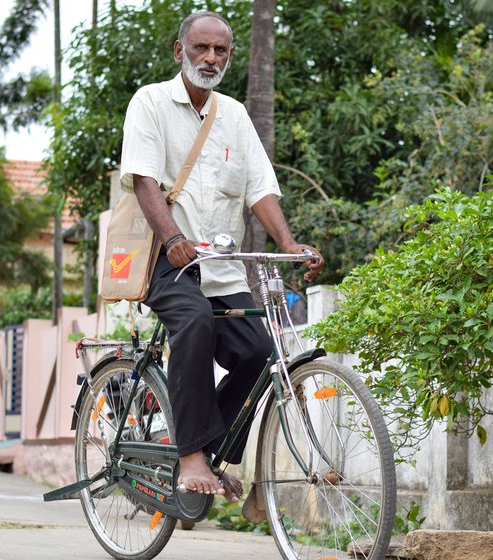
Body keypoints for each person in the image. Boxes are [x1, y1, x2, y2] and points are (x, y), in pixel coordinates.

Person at [119, 11, 324, 502]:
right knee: (194, 322)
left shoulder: (233, 115)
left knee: (259, 352)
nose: (211, 58)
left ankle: (210, 455)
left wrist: (289, 244)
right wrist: (172, 240)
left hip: (221, 265)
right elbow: (145, 181)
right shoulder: (150, 102)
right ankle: (190, 453)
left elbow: (260, 189)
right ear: (179, 51)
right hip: (166, 260)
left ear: (229, 57)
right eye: (201, 48)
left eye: (221, 51)